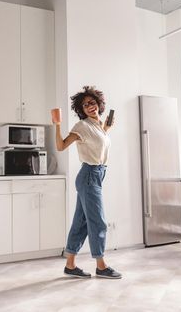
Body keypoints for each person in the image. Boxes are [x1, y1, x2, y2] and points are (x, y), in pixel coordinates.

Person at [52, 86, 122, 279]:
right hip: (89, 176)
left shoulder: (99, 126)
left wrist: (106, 128)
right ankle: (101, 266)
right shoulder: (82, 126)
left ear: (99, 104)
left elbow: (97, 144)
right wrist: (57, 124)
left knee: (81, 223)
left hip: (97, 176)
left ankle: (70, 264)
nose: (90, 106)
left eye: (93, 103)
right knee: (98, 222)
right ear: (81, 110)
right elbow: (61, 146)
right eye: (85, 105)